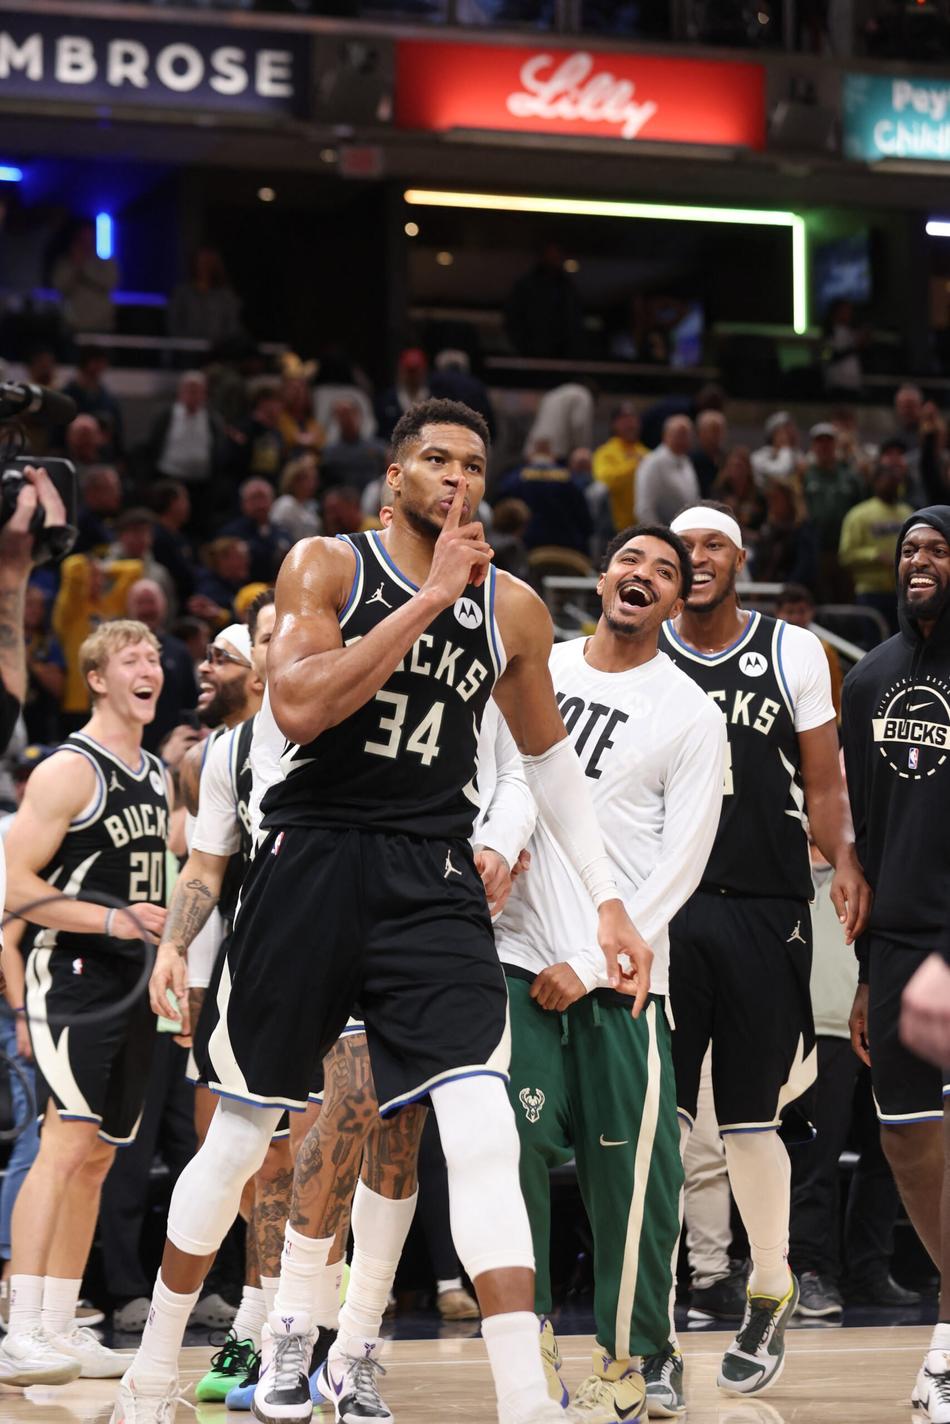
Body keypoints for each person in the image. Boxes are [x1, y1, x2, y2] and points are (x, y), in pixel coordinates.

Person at [111, 397, 650, 1424]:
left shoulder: (516, 609)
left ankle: (521, 1398)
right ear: (395, 473)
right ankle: (151, 1369)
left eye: (473, 465)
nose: (456, 478)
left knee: (480, 1126)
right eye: (435, 460)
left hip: (428, 874)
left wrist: (609, 900)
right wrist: (430, 596)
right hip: (309, 862)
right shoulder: (327, 565)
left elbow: (546, 762)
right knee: (241, 1136)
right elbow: (301, 703)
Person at [493, 524, 726, 1418]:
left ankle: (637, 1358)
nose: (646, 576)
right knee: (505, 1146)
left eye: (665, 573)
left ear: (675, 603)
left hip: (621, 976)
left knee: (633, 1177)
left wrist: (591, 961)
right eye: (633, 561)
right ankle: (530, 1336)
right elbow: (504, 781)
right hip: (515, 954)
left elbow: (684, 863)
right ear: (602, 578)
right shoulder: (532, 667)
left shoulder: (691, 715)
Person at [646, 500, 870, 1409]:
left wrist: (847, 857)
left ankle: (769, 1285)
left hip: (766, 903)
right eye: (682, 546)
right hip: (663, 910)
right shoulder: (639, 645)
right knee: (654, 1119)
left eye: (711, 546)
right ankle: (647, 1326)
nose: (696, 558)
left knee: (748, 1118)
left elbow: (823, 779)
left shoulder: (791, 651)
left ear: (739, 559)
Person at [1, 621, 169, 1383]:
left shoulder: (159, 774)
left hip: (132, 981)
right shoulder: (68, 769)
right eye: (132, 658)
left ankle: (62, 1322)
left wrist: (165, 959)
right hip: (68, 971)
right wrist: (112, 920)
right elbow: (16, 890)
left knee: (100, 1157)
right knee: (63, 1144)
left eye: (157, 657)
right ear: (97, 679)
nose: (150, 668)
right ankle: (21, 1327)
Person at [842, 507, 950, 1421]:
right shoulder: (871, 676)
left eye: (937, 548)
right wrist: (872, 973)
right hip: (907, 946)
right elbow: (865, 841)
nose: (919, 560)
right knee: (908, 1141)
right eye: (910, 548)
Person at [838, 453, 913, 636]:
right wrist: (874, 555)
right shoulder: (859, 514)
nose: (893, 484)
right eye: (888, 480)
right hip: (871, 592)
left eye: (897, 480)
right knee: (874, 645)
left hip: (903, 590)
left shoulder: (908, 513)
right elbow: (846, 554)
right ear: (876, 482)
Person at [125, 581, 199, 752]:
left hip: (172, 746)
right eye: (140, 603)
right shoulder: (118, 653)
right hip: (130, 744)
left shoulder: (179, 651)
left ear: (163, 607)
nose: (146, 609)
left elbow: (191, 702)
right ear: (129, 608)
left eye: (151, 602)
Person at [802, 422, 866, 603]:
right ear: (813, 446)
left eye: (828, 441)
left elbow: (861, 507)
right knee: (820, 596)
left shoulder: (849, 475)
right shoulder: (805, 475)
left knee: (846, 596)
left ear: (835, 445)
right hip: (817, 548)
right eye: (819, 442)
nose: (824, 446)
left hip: (845, 549)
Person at [774, 584, 844, 720]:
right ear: (777, 613)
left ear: (811, 612)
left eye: (801, 611)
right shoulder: (767, 646)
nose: (795, 618)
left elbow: (834, 694)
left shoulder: (824, 649)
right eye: (789, 612)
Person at [51, 220, 119, 333]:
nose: (87, 242)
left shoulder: (107, 263)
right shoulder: (65, 264)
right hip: (73, 326)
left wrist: (84, 271)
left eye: (90, 238)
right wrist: (76, 265)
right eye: (83, 238)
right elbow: (61, 288)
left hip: (102, 325)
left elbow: (109, 284)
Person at [592, 402, 648, 531]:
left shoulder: (647, 454)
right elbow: (605, 481)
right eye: (624, 418)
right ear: (614, 424)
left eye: (633, 418)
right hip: (613, 527)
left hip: (643, 525)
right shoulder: (605, 452)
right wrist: (634, 465)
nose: (630, 423)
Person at [168, 248, 242, 346]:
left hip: (218, 353)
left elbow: (233, 327)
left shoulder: (226, 296)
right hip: (187, 351)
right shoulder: (181, 293)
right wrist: (188, 344)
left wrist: (219, 345)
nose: (204, 266)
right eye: (201, 262)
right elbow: (173, 325)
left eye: (208, 262)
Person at [61, 348, 124, 462]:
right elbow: (56, 433)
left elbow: (117, 434)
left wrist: (118, 459)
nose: (99, 367)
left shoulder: (107, 399)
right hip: (69, 458)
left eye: (102, 363)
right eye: (96, 362)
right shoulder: (66, 396)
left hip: (101, 459)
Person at [635, 416, 700, 526]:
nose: (683, 440)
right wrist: (659, 537)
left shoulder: (686, 461)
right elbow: (644, 509)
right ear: (666, 435)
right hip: (662, 534)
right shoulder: (652, 463)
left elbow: (694, 499)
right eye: (679, 435)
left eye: (686, 435)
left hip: (685, 533)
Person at [320, 398, 388, 492]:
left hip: (373, 497)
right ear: (336, 418)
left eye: (350, 413)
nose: (347, 418)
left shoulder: (378, 448)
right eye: (342, 415)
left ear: (359, 415)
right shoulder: (329, 453)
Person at [375, 348, 430, 440]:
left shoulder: (436, 397)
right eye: (409, 370)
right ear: (401, 370)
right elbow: (381, 432)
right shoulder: (387, 399)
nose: (412, 376)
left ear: (424, 370)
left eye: (415, 370)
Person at [271, 456, 321, 545]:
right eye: (308, 479)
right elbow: (277, 533)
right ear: (294, 481)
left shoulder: (312, 506)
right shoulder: (285, 503)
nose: (312, 484)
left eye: (314, 479)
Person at [751, 412, 802, 490]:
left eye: (792, 430)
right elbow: (781, 474)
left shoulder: (798, 455)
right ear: (773, 434)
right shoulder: (759, 456)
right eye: (785, 431)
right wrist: (785, 448)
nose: (791, 435)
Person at [690, 410, 729, 497]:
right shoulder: (690, 461)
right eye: (713, 430)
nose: (717, 435)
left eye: (721, 430)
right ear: (701, 433)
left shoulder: (726, 458)